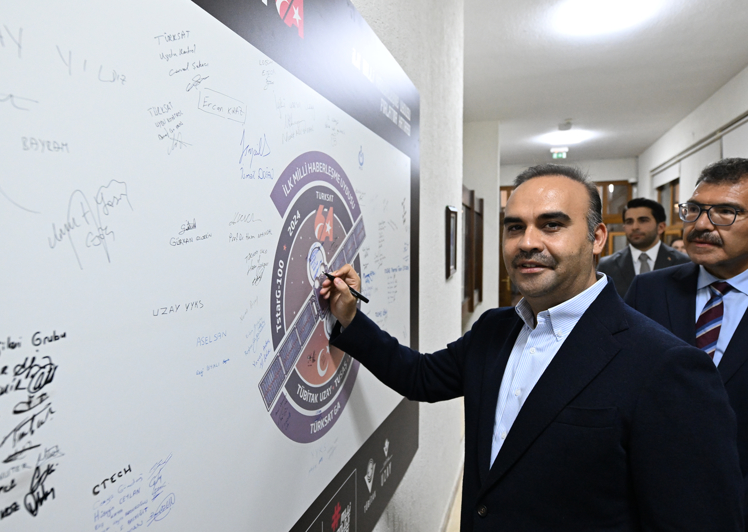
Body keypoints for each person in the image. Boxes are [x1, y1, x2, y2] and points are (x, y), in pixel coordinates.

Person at [320, 164, 744, 532]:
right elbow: (420, 377)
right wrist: (350, 318)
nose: (527, 243)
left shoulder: (664, 365)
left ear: (597, 238)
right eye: (514, 227)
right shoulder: (494, 329)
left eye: (552, 225)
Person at [626, 157, 748, 522]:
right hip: (651, 501)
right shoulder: (648, 290)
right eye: (693, 210)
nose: (702, 224)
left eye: (726, 212)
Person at [597, 197, 689, 297]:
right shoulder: (608, 265)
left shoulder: (683, 263)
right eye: (629, 222)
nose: (635, 227)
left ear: (660, 227)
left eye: (643, 220)